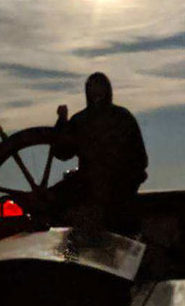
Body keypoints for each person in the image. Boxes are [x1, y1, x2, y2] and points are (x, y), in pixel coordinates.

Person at [50, 72, 148, 233]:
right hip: (103, 187)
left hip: (113, 188)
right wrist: (62, 121)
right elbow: (62, 152)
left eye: (99, 87)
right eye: (93, 88)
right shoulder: (120, 117)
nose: (97, 93)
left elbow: (140, 159)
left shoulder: (117, 118)